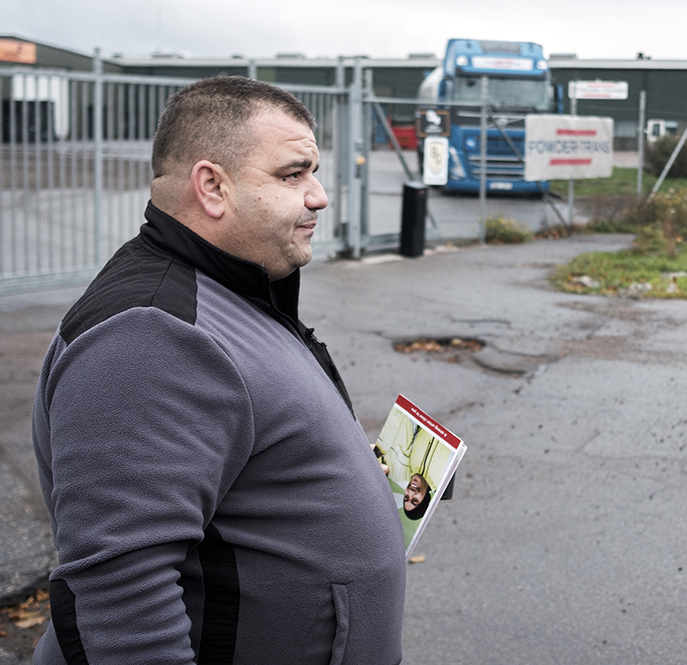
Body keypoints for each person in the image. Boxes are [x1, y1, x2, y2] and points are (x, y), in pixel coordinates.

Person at [32, 76, 407, 664]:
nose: (319, 196)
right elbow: (121, 597)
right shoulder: (151, 335)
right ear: (212, 186)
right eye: (293, 174)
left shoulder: (232, 286)